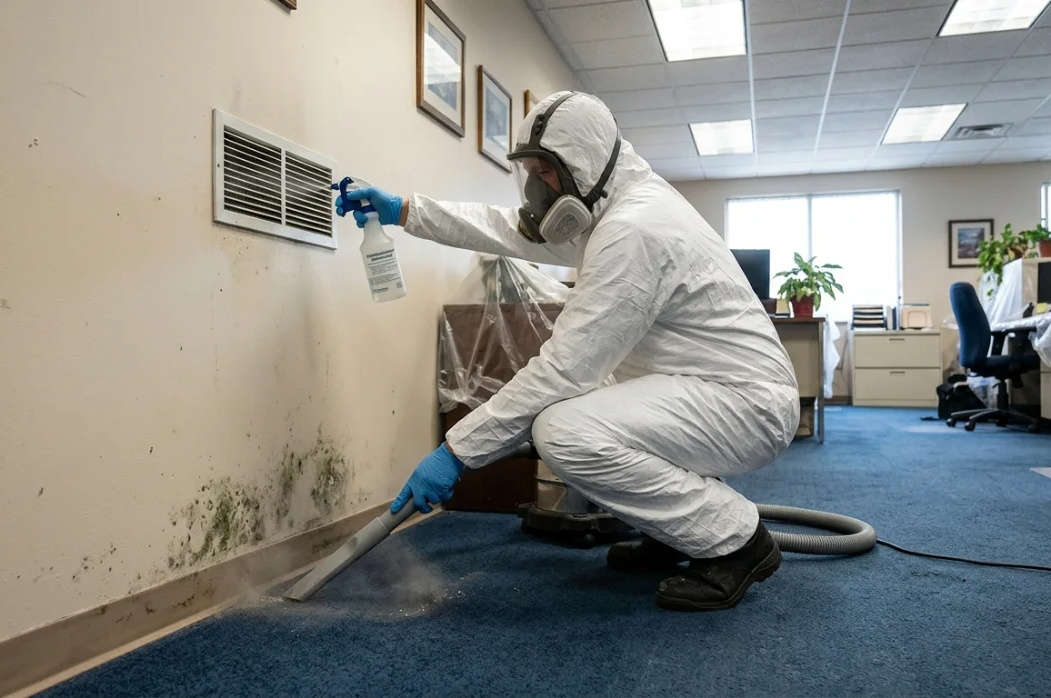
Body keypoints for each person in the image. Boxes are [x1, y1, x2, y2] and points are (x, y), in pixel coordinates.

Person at [335, 91, 799, 612]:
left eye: (545, 172)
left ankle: (737, 542)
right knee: (582, 404)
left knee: (564, 430)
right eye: (529, 172)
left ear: (583, 162)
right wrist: (404, 211)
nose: (536, 187)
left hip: (745, 404)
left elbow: (564, 370)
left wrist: (456, 451)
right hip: (703, 386)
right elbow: (502, 228)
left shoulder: (633, 229)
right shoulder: (608, 204)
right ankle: (678, 534)